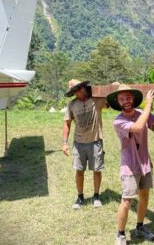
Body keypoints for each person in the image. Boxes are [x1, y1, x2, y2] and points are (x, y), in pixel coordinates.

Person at [106, 84, 154, 245]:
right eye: (121, 99)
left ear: (133, 98)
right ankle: (120, 235)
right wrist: (148, 104)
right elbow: (138, 126)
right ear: (118, 102)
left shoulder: (142, 113)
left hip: (145, 164)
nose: (125, 101)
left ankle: (140, 227)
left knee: (144, 197)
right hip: (130, 165)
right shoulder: (118, 121)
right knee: (127, 200)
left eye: (128, 97)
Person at [62, 79, 107, 209]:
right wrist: (64, 143)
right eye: (74, 90)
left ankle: (96, 196)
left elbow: (112, 100)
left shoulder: (96, 100)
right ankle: (80, 197)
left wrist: (114, 87)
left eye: (79, 88)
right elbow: (67, 123)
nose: (78, 91)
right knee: (79, 171)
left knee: (96, 170)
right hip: (79, 143)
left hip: (95, 141)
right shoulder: (72, 105)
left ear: (84, 87)